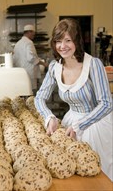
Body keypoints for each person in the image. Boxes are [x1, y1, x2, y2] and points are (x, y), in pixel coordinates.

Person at [34, 18, 113, 181]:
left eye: (68, 40)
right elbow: (40, 97)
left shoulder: (93, 64)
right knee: (76, 176)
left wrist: (81, 125)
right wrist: (49, 117)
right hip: (71, 125)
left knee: (99, 176)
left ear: (77, 41)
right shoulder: (55, 67)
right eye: (58, 41)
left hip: (95, 125)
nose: (62, 46)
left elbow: (106, 103)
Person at [13, 24, 47, 94]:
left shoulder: (18, 43)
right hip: (29, 72)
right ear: (29, 32)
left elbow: (16, 58)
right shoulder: (29, 42)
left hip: (20, 73)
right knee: (30, 92)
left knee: (23, 92)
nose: (33, 36)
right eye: (33, 34)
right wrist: (42, 63)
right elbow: (30, 58)